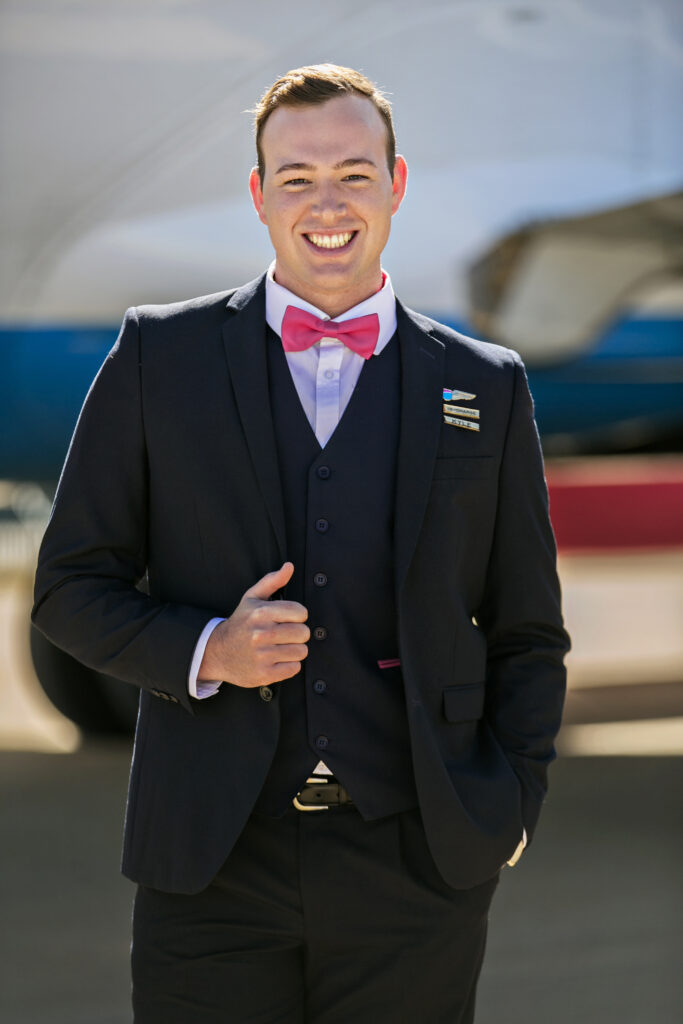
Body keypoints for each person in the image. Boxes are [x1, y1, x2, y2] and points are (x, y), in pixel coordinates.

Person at [32, 64, 570, 1023]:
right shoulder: (161, 357)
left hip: (415, 868)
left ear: (396, 186)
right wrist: (208, 651)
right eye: (296, 177)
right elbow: (70, 587)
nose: (327, 202)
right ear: (258, 195)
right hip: (210, 864)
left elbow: (527, 630)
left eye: (355, 174)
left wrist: (507, 810)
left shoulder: (486, 386)